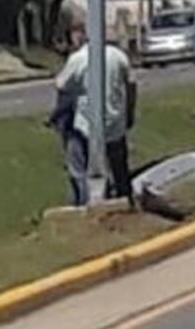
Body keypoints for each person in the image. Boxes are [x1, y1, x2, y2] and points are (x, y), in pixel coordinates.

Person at [52, 18, 135, 207]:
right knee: (119, 167)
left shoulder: (79, 59)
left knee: (78, 167)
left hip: (85, 125)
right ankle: (125, 200)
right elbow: (131, 84)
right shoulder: (118, 56)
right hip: (115, 123)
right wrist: (129, 111)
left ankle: (84, 204)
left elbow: (61, 86)